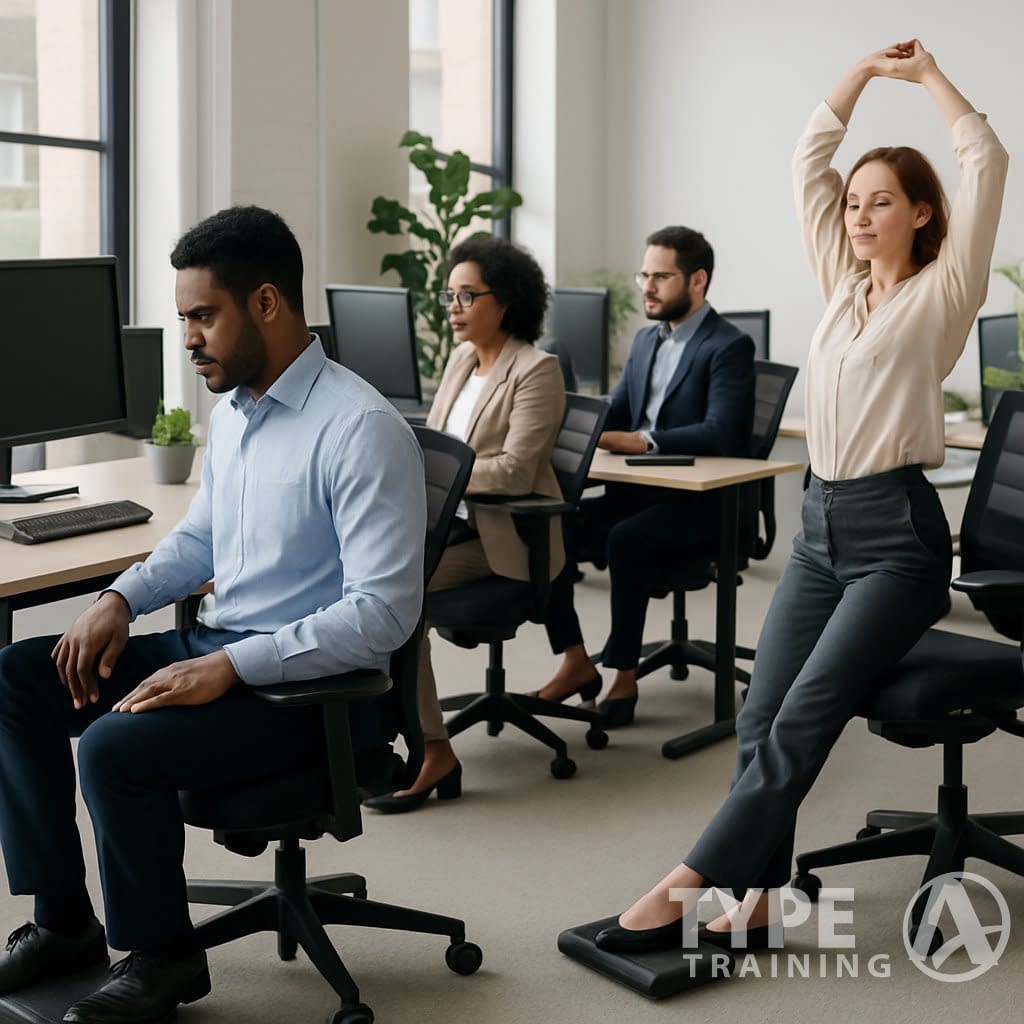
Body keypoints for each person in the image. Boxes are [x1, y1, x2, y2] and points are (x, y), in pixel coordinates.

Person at [592, 40, 1008, 956]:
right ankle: (767, 891)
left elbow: (987, 158)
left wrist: (925, 78)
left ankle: (688, 878)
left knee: (806, 723)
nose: (858, 215)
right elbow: (807, 161)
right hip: (820, 528)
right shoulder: (839, 282)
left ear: (924, 213)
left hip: (896, 539)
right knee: (759, 715)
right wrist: (858, 76)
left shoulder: (946, 291)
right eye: (854, 203)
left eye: (880, 202)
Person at [0, 206, 427, 1023]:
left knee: (116, 745)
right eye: (185, 318)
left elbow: (382, 615)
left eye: (203, 316)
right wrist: (120, 598)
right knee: (20, 677)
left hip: (310, 695)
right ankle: (63, 926)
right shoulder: (236, 411)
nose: (189, 338)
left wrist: (229, 666)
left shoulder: (360, 429)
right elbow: (202, 537)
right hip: (218, 650)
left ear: (266, 303)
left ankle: (165, 959)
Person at [363, 235, 565, 813]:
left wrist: (436, 480)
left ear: (504, 302)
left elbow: (517, 473)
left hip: (501, 537)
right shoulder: (459, 359)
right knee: (358, 582)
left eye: (466, 296)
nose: (453, 308)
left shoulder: (536, 370)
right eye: (449, 296)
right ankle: (376, 738)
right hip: (440, 527)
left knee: (398, 600)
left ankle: (433, 749)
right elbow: (433, 443)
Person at [534, 226, 755, 727]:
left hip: (701, 507)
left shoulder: (728, 346)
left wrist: (644, 440)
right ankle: (573, 659)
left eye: (661, 276)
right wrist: (570, 422)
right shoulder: (644, 340)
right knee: (552, 525)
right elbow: (619, 409)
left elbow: (722, 432)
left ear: (697, 280)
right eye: (644, 274)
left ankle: (623, 676)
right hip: (637, 491)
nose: (647, 287)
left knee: (627, 542)